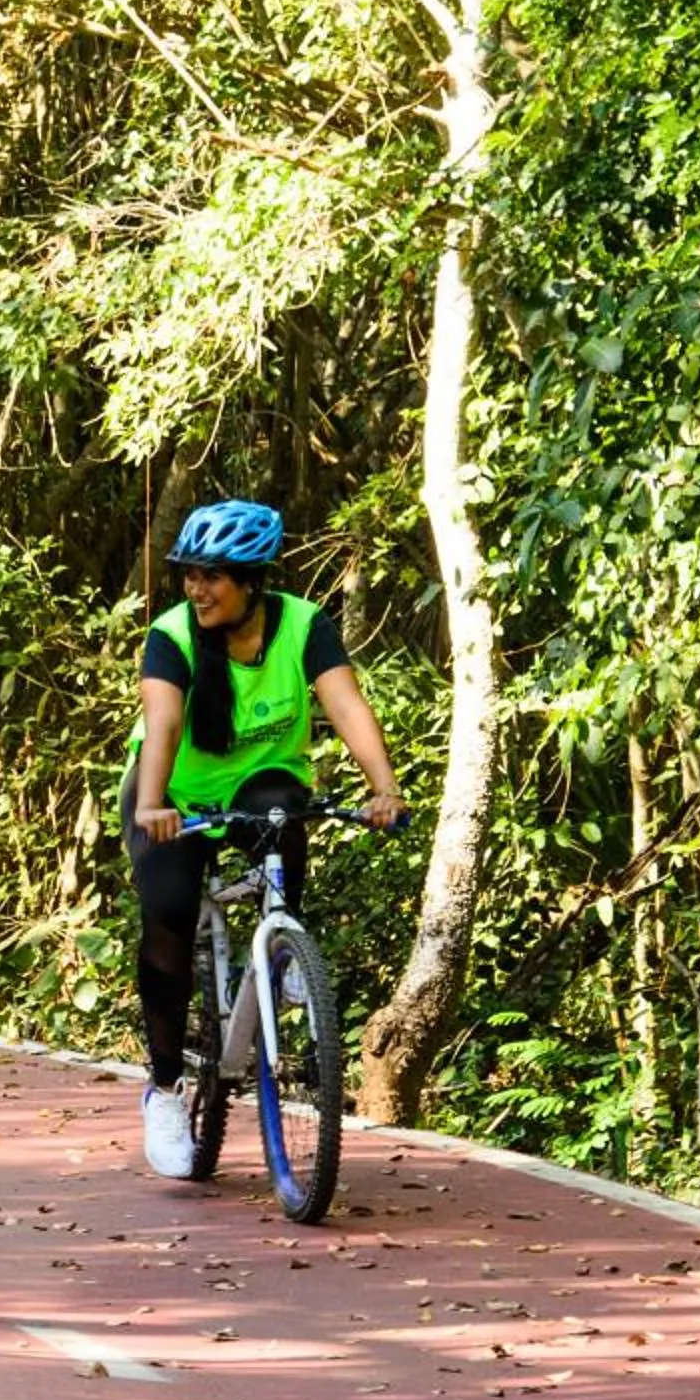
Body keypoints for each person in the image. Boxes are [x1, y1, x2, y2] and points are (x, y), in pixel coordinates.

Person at [122, 499, 409, 1178]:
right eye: (189, 575)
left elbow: (344, 703)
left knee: (283, 812)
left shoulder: (305, 625)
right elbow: (162, 724)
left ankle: (281, 952)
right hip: (176, 791)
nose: (196, 589)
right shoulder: (173, 635)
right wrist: (155, 803)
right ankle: (165, 1089)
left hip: (261, 779)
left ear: (253, 581)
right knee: (165, 918)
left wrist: (384, 787)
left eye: (212, 576)